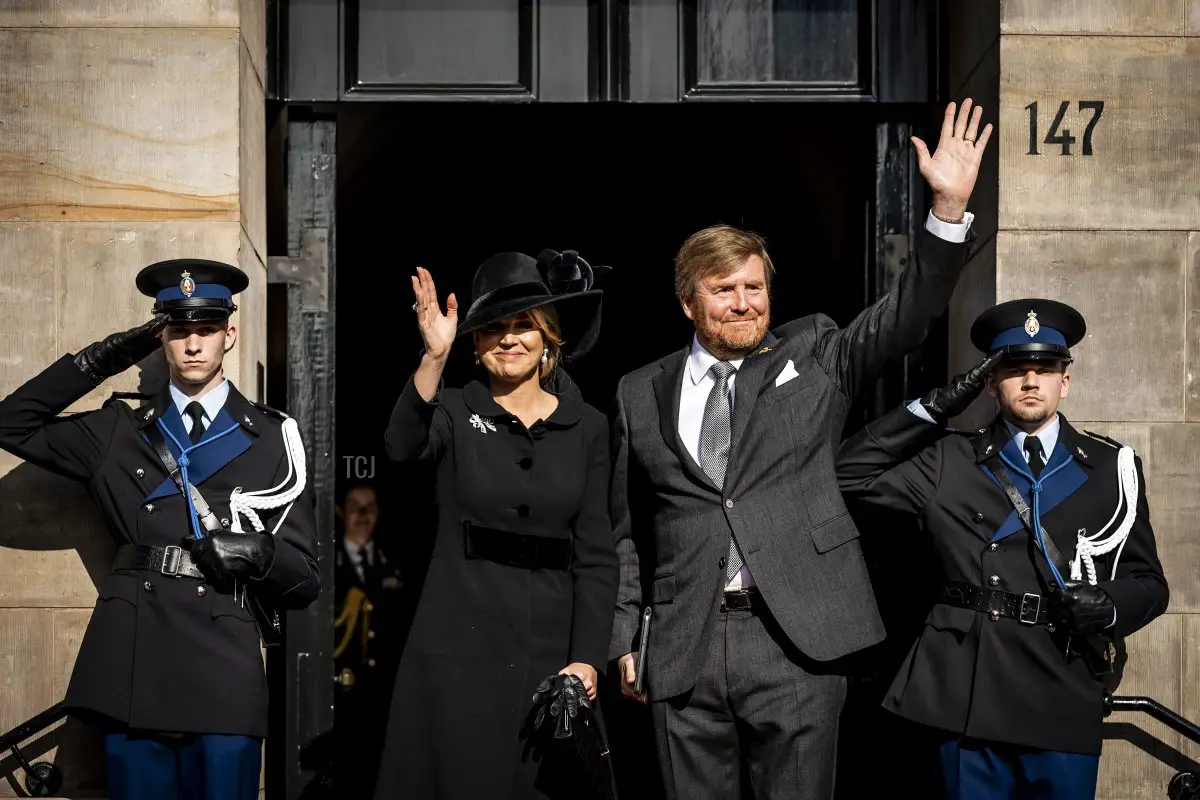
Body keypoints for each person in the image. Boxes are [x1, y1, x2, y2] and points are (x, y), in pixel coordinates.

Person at [608, 98, 993, 800]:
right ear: (687, 303)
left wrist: (947, 210)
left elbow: (908, 314)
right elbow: (629, 527)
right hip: (683, 647)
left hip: (797, 642)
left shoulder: (815, 352)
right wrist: (626, 636)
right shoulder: (639, 392)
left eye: (755, 288)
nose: (745, 302)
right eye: (723, 290)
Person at [0, 259, 319, 800]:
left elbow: (305, 581)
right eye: (178, 330)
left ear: (230, 334)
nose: (193, 344)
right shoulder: (118, 431)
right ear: (161, 339)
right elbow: (11, 422)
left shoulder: (271, 437)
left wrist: (260, 554)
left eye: (207, 329)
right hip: (135, 662)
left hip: (224, 665)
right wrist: (104, 358)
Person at [835, 298, 1169, 800]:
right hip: (970, 695)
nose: (1031, 381)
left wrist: (1109, 606)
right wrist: (937, 405)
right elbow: (847, 472)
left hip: (1062, 685)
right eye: (1014, 369)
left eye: (1045, 369)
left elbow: (1151, 584)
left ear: (1066, 381)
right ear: (990, 381)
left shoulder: (1112, 467)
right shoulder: (949, 458)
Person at [374, 249, 620, 799]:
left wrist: (586, 658)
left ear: (549, 338)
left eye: (524, 326)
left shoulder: (591, 428)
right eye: (493, 329)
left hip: (552, 655)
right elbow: (401, 446)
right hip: (457, 646)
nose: (509, 339)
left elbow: (599, 553)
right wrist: (432, 358)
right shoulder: (454, 411)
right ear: (476, 344)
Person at [333, 480, 406, 798]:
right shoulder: (327, 563)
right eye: (354, 507)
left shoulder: (396, 563)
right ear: (340, 512)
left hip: (383, 697)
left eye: (370, 508)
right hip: (338, 699)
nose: (362, 515)